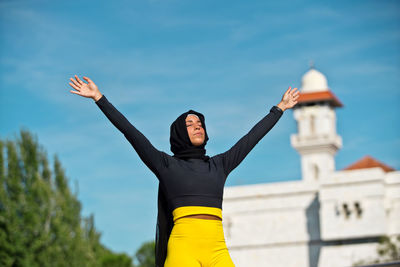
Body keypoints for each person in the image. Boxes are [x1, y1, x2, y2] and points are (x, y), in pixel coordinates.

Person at [68, 75, 299, 267]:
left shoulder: (219, 164)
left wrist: (280, 108)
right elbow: (130, 132)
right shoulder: (166, 165)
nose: (197, 125)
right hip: (183, 247)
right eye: (189, 124)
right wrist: (99, 98)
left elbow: (251, 139)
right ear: (179, 133)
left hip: (217, 247)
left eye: (199, 123)